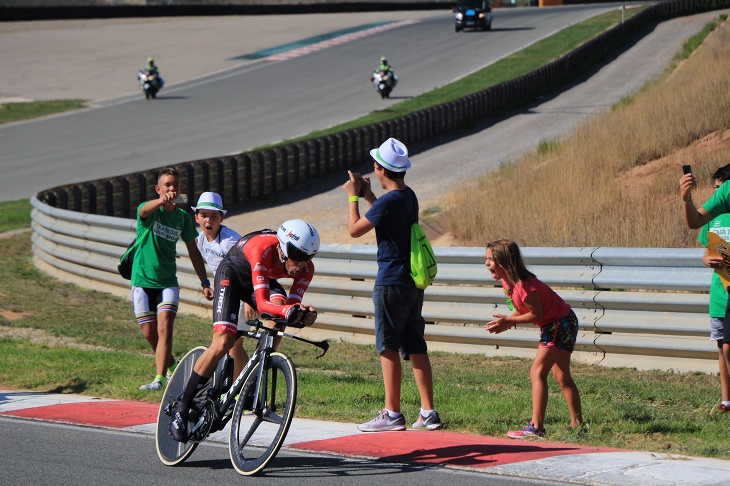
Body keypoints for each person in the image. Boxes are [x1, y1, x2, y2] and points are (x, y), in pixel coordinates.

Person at [169, 219, 320, 442]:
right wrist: (290, 312)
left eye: (308, 257)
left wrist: (303, 314)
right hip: (232, 274)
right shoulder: (262, 247)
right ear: (282, 247)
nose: (301, 263)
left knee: (281, 308)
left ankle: (255, 369)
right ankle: (181, 409)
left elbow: (291, 305)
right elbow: (261, 303)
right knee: (223, 341)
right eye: (297, 255)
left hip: (260, 280)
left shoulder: (306, 269)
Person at [344, 137, 443, 432]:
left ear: (380, 169)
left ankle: (392, 413)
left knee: (387, 345)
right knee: (415, 344)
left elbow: (354, 230)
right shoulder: (407, 196)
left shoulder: (388, 202)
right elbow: (386, 216)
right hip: (412, 283)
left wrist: (352, 197)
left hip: (390, 282)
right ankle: (427, 412)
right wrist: (369, 196)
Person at [485, 239, 582, 438]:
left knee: (537, 371)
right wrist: (507, 321)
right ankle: (578, 424)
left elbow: (536, 315)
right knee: (561, 376)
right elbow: (522, 311)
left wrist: (509, 322)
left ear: (504, 262)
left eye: (490, 259)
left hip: (560, 323)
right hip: (557, 323)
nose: (486, 264)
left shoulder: (524, 286)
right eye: (485, 259)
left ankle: (536, 427)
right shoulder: (507, 283)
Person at [131, 167, 213, 391]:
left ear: (181, 189)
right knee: (149, 333)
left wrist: (204, 282)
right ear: (159, 188)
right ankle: (172, 365)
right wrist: (160, 202)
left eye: (176, 185)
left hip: (168, 282)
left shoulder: (182, 218)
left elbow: (194, 251)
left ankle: (159, 379)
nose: (172, 189)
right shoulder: (149, 211)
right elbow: (143, 211)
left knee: (165, 327)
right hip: (142, 280)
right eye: (167, 185)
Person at [192, 191, 256, 379]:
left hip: (244, 294)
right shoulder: (201, 240)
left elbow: (252, 267)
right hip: (227, 295)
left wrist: (251, 301)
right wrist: (206, 284)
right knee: (231, 345)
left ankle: (240, 391)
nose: (208, 220)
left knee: (233, 344)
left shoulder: (230, 241)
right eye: (203, 215)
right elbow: (210, 264)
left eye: (214, 216)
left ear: (222, 217)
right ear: (196, 217)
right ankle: (242, 387)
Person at [684, 165, 730, 413]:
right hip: (720, 294)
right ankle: (726, 400)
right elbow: (705, 251)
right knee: (722, 346)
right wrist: (707, 260)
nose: (714, 194)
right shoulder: (714, 219)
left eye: (717, 188)